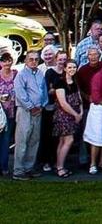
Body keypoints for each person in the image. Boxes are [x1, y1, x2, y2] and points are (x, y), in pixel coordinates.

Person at [12, 48, 48, 180]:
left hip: (38, 111)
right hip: (25, 111)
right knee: (22, 140)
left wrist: (42, 105)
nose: (33, 61)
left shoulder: (40, 74)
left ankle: (29, 167)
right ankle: (18, 170)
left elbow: (44, 91)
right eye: (31, 59)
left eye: (36, 59)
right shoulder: (21, 75)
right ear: (26, 60)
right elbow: (20, 94)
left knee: (34, 140)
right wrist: (30, 107)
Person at [52, 57, 83, 177]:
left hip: (75, 114)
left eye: (74, 67)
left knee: (62, 141)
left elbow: (79, 98)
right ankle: (60, 167)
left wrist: (80, 112)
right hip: (64, 115)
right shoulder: (60, 82)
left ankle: (58, 164)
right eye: (69, 67)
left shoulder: (75, 81)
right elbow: (63, 103)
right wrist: (75, 114)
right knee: (69, 140)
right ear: (64, 68)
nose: (72, 69)